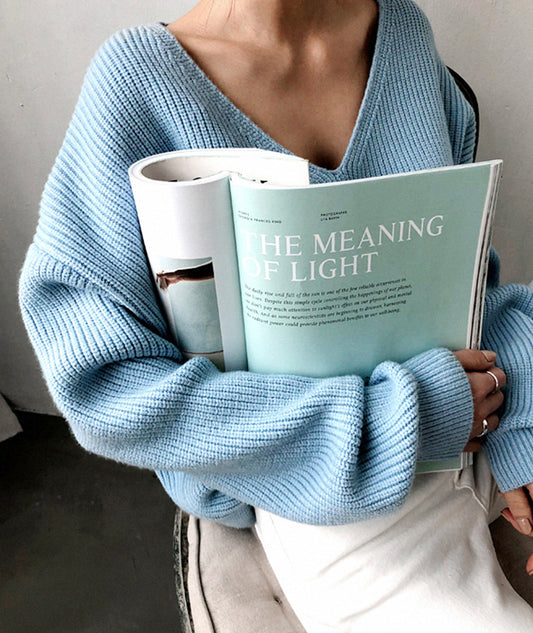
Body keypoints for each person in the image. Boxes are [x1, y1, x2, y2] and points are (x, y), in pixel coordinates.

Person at [18, 0, 533, 630]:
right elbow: (104, 387)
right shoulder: (137, 82)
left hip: (479, 408)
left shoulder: (402, 32)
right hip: (321, 486)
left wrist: (523, 425)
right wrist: (401, 418)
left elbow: (470, 277)